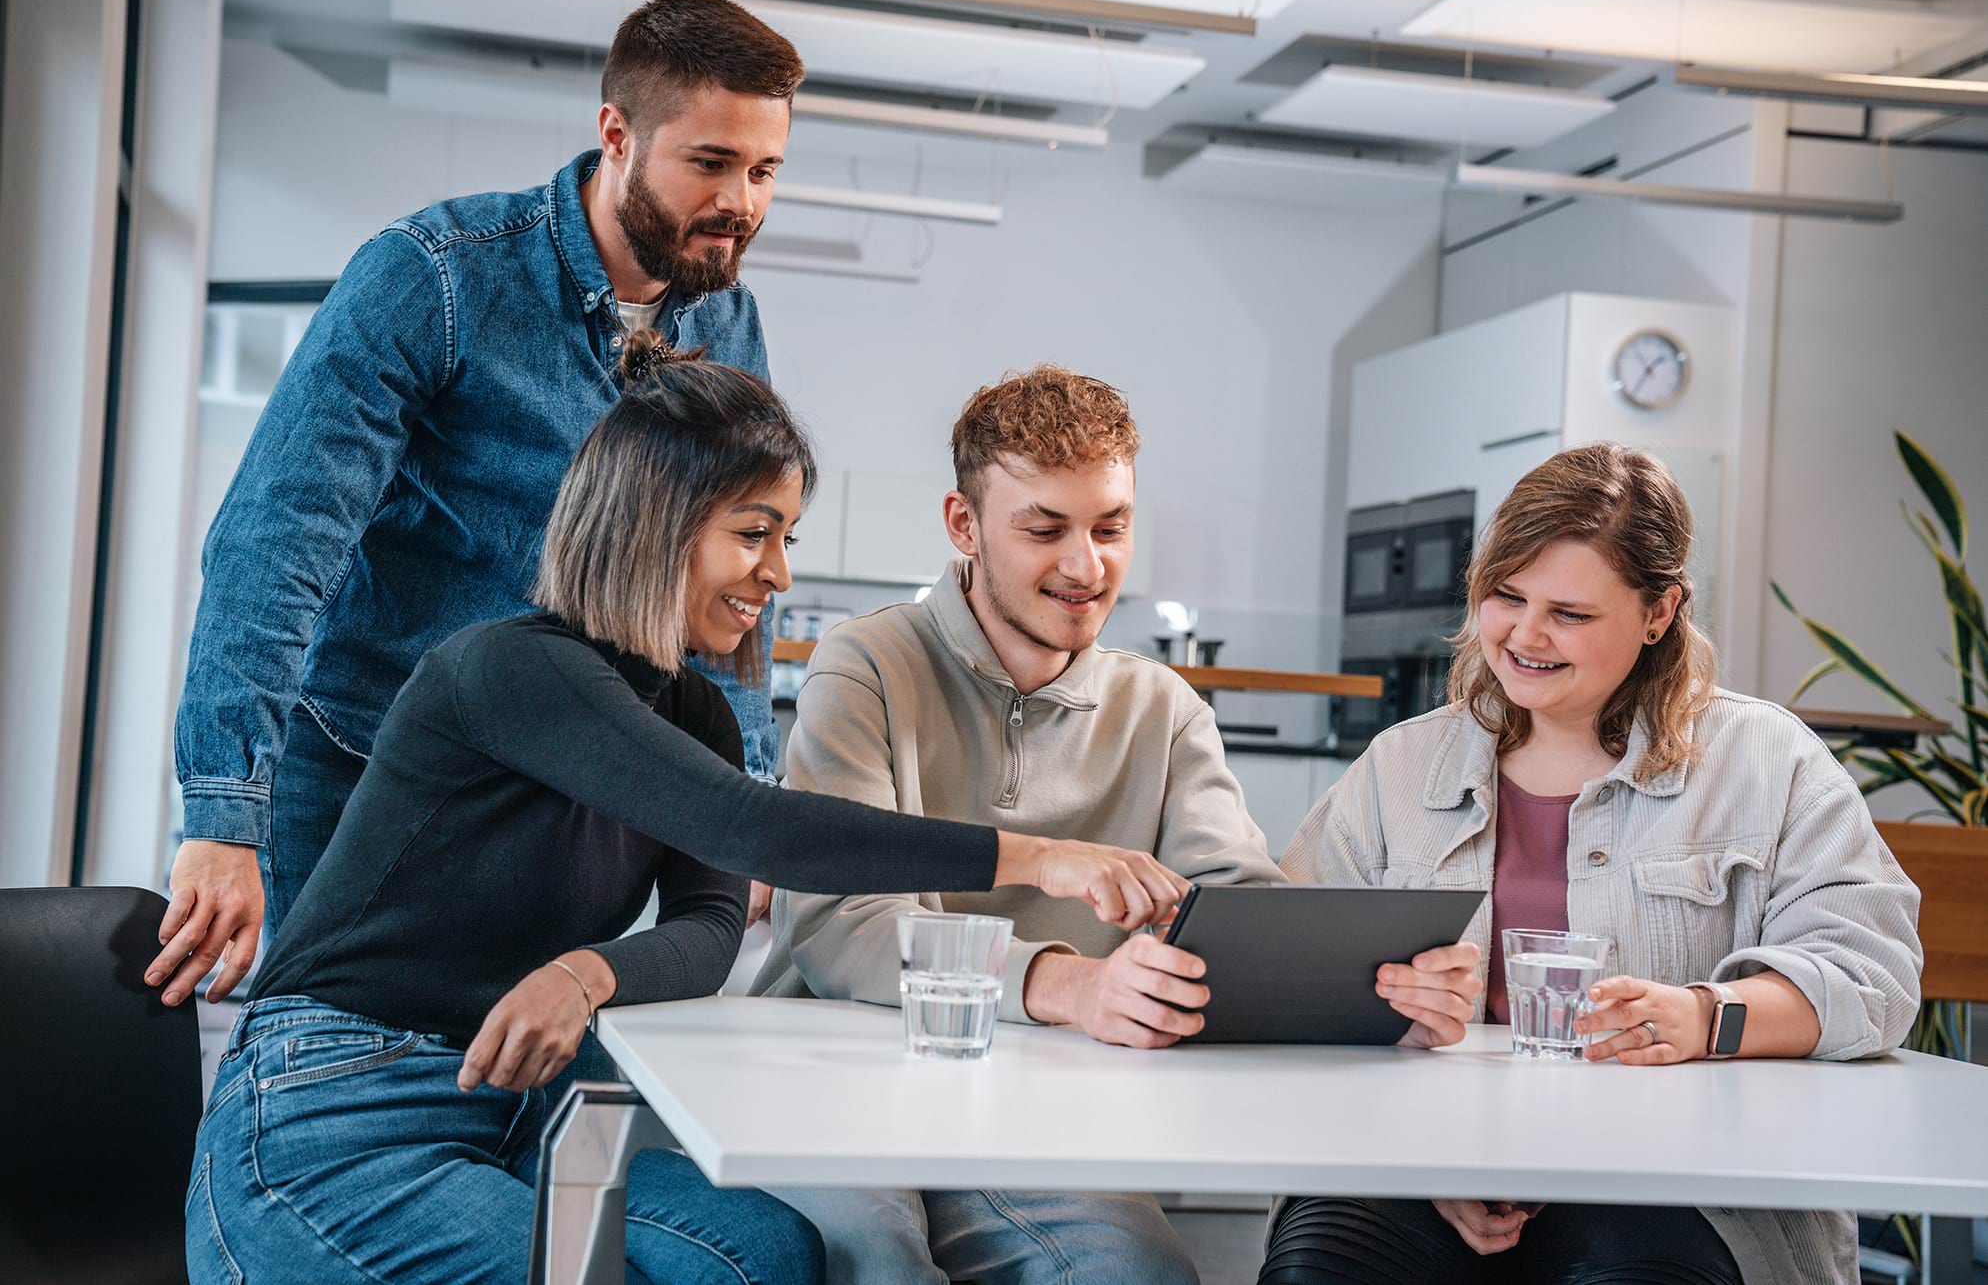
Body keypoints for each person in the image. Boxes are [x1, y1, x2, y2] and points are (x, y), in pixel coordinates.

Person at [185, 344, 1188, 1285]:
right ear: (653, 524)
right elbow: (763, 833)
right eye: (752, 535)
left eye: (783, 538)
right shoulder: (508, 668)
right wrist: (1036, 857)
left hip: (523, 1111)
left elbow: (710, 928)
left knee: (765, 1253)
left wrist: (588, 972)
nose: (778, 573)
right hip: (338, 1109)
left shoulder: (694, 709)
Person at [750, 365, 1474, 1284]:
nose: (1086, 566)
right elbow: (835, 923)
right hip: (843, 1084)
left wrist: (1374, 998)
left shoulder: (1162, 708)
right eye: (1045, 528)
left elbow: (1241, 905)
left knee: (1139, 1275)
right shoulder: (867, 663)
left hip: (1038, 1118)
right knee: (878, 1262)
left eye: (1111, 526)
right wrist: (1067, 985)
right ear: (963, 525)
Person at [152, 0, 806, 1008]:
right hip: (363, 773)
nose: (741, 201)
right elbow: (279, 541)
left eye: (763, 170)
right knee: (314, 1070)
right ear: (615, 136)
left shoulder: (726, 323)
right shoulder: (436, 280)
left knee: (494, 1078)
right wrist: (222, 813)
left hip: (561, 795)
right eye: (710, 164)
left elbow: (716, 591)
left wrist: (741, 803)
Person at [1262, 443, 1922, 1285]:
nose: (1526, 636)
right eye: (1506, 596)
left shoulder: (1766, 760)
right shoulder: (1399, 770)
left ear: (1660, 612)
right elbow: (1283, 983)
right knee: (1320, 1270)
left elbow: (1873, 975)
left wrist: (1705, 1018)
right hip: (1420, 1168)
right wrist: (1416, 1136)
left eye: (1569, 613)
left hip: (1680, 1183)